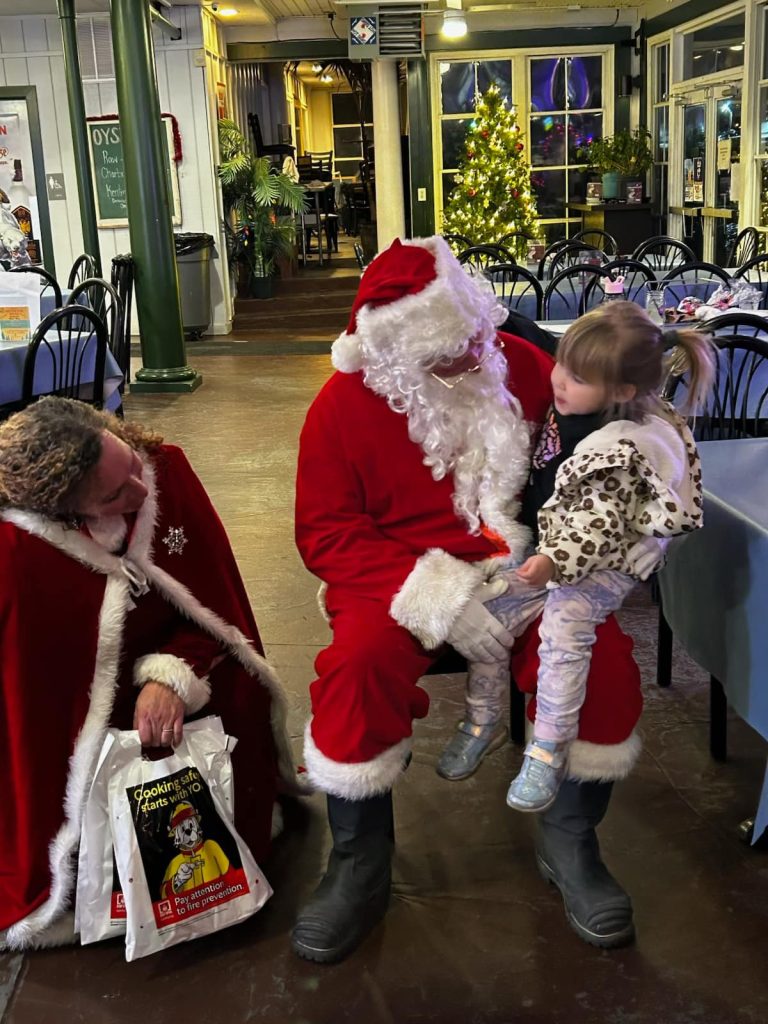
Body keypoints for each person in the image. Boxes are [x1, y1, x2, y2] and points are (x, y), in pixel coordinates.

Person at [293, 236, 648, 963]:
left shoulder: (519, 364)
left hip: (526, 569)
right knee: (356, 669)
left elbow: (601, 456)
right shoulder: (341, 405)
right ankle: (359, 864)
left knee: (603, 657)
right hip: (397, 576)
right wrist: (439, 600)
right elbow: (325, 533)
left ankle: (570, 840)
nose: (473, 354)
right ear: (399, 351)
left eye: (474, 333)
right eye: (448, 349)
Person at [0, 398, 299, 951]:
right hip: (76, 699)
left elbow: (215, 603)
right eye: (114, 493)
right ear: (61, 504)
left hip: (180, 652)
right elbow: (29, 677)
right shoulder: (17, 545)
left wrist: (171, 676)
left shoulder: (166, 468)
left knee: (237, 694)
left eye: (131, 466)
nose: (140, 490)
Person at [438, 302, 714, 814]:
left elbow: (596, 526)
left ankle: (547, 747)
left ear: (622, 393)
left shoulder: (618, 449)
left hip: (597, 566)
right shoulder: (576, 405)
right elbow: (527, 335)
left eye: (577, 377)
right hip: (547, 548)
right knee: (489, 620)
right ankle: (483, 719)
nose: (559, 381)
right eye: (561, 364)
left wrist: (550, 563)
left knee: (563, 638)